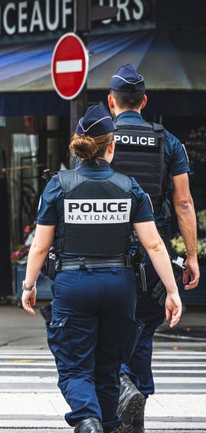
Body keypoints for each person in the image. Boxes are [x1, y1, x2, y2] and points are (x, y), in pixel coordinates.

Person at [21, 104, 182, 433]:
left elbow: (39, 245)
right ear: (112, 147)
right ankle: (105, 424)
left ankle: (87, 419)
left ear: (79, 147)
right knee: (109, 369)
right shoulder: (130, 187)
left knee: (75, 368)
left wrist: (28, 285)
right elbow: (153, 245)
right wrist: (171, 290)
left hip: (74, 283)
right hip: (119, 284)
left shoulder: (59, 185)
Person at [106, 64, 199, 432]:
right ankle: (135, 406)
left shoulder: (101, 139)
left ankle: (123, 389)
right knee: (143, 330)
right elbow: (184, 202)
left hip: (104, 252)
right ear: (144, 101)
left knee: (105, 332)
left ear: (111, 102)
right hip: (152, 254)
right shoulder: (168, 142)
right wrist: (191, 256)